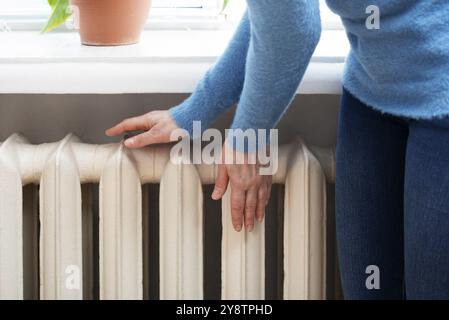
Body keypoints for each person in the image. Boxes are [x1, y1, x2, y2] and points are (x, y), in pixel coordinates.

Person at [106, 0, 449, 299]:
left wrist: (248, 140)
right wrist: (194, 112)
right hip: (373, 92)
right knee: (369, 286)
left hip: (442, 96)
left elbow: (292, 32)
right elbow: (275, 17)